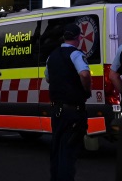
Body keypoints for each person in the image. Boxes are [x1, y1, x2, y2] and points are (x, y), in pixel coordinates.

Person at [44, 23, 90, 181]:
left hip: (57, 110)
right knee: (69, 151)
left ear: (64, 37)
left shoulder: (52, 55)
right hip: (73, 110)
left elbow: (48, 78)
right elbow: (84, 74)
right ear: (78, 38)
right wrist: (86, 90)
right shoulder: (76, 54)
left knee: (56, 148)